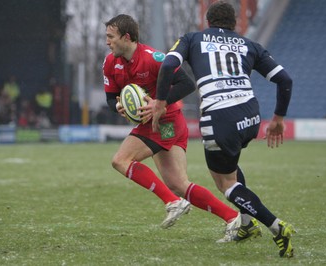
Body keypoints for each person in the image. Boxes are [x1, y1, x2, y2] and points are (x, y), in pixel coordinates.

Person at [152, 1, 296, 258]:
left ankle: (276, 228)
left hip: (221, 117)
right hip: (251, 115)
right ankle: (246, 224)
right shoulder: (248, 44)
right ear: (235, 24)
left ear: (208, 22)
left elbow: (167, 66)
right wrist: (278, 118)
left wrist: (161, 102)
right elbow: (284, 79)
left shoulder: (192, 39)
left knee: (225, 182)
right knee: (230, 164)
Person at [102, 14, 260, 242]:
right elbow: (110, 98)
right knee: (178, 184)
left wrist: (159, 103)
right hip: (155, 124)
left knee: (121, 160)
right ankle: (233, 218)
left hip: (166, 122)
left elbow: (186, 83)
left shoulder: (153, 58)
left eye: (111, 37)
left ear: (126, 37)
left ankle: (172, 202)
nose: (107, 42)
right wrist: (117, 106)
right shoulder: (110, 63)